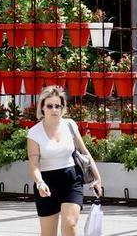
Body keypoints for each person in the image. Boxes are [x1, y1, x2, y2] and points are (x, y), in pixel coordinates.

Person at [27, 86, 102, 236]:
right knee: (48, 234)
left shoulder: (69, 125)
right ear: (42, 107)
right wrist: (40, 183)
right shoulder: (34, 132)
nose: (54, 110)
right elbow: (34, 165)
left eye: (58, 106)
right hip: (46, 183)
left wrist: (97, 178)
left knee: (70, 225)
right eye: (50, 106)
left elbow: (84, 152)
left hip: (71, 179)